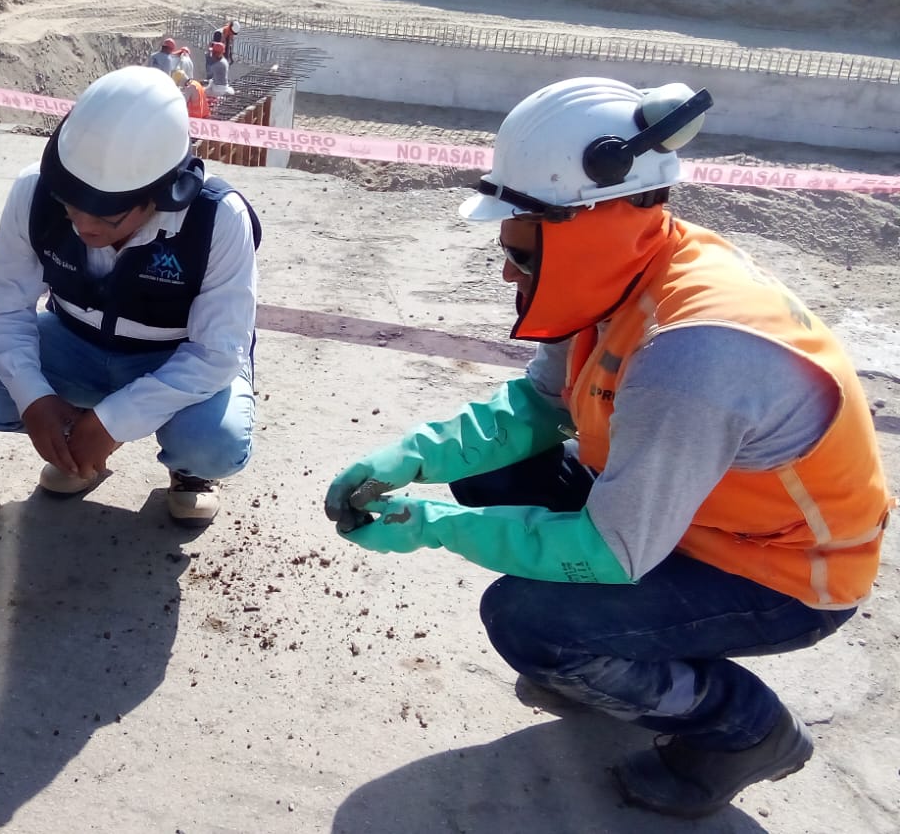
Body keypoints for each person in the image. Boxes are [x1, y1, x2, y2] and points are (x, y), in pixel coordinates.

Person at [323, 77, 891, 818]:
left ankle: (744, 729)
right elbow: (540, 405)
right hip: (688, 519)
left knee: (529, 622)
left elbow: (612, 550)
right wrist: (416, 458)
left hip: (782, 575)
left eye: (521, 252)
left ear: (585, 225)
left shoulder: (692, 355)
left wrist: (431, 527)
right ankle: (615, 654)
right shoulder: (621, 275)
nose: (506, 271)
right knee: (495, 474)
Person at [0, 67, 260, 527]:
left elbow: (217, 353)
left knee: (215, 445)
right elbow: (5, 305)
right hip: (73, 341)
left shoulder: (219, 220)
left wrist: (113, 422)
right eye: (72, 207)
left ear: (163, 196)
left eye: (107, 218)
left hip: (174, 357)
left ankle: (187, 471)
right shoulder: (35, 192)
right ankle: (78, 449)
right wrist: (34, 399)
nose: (82, 226)